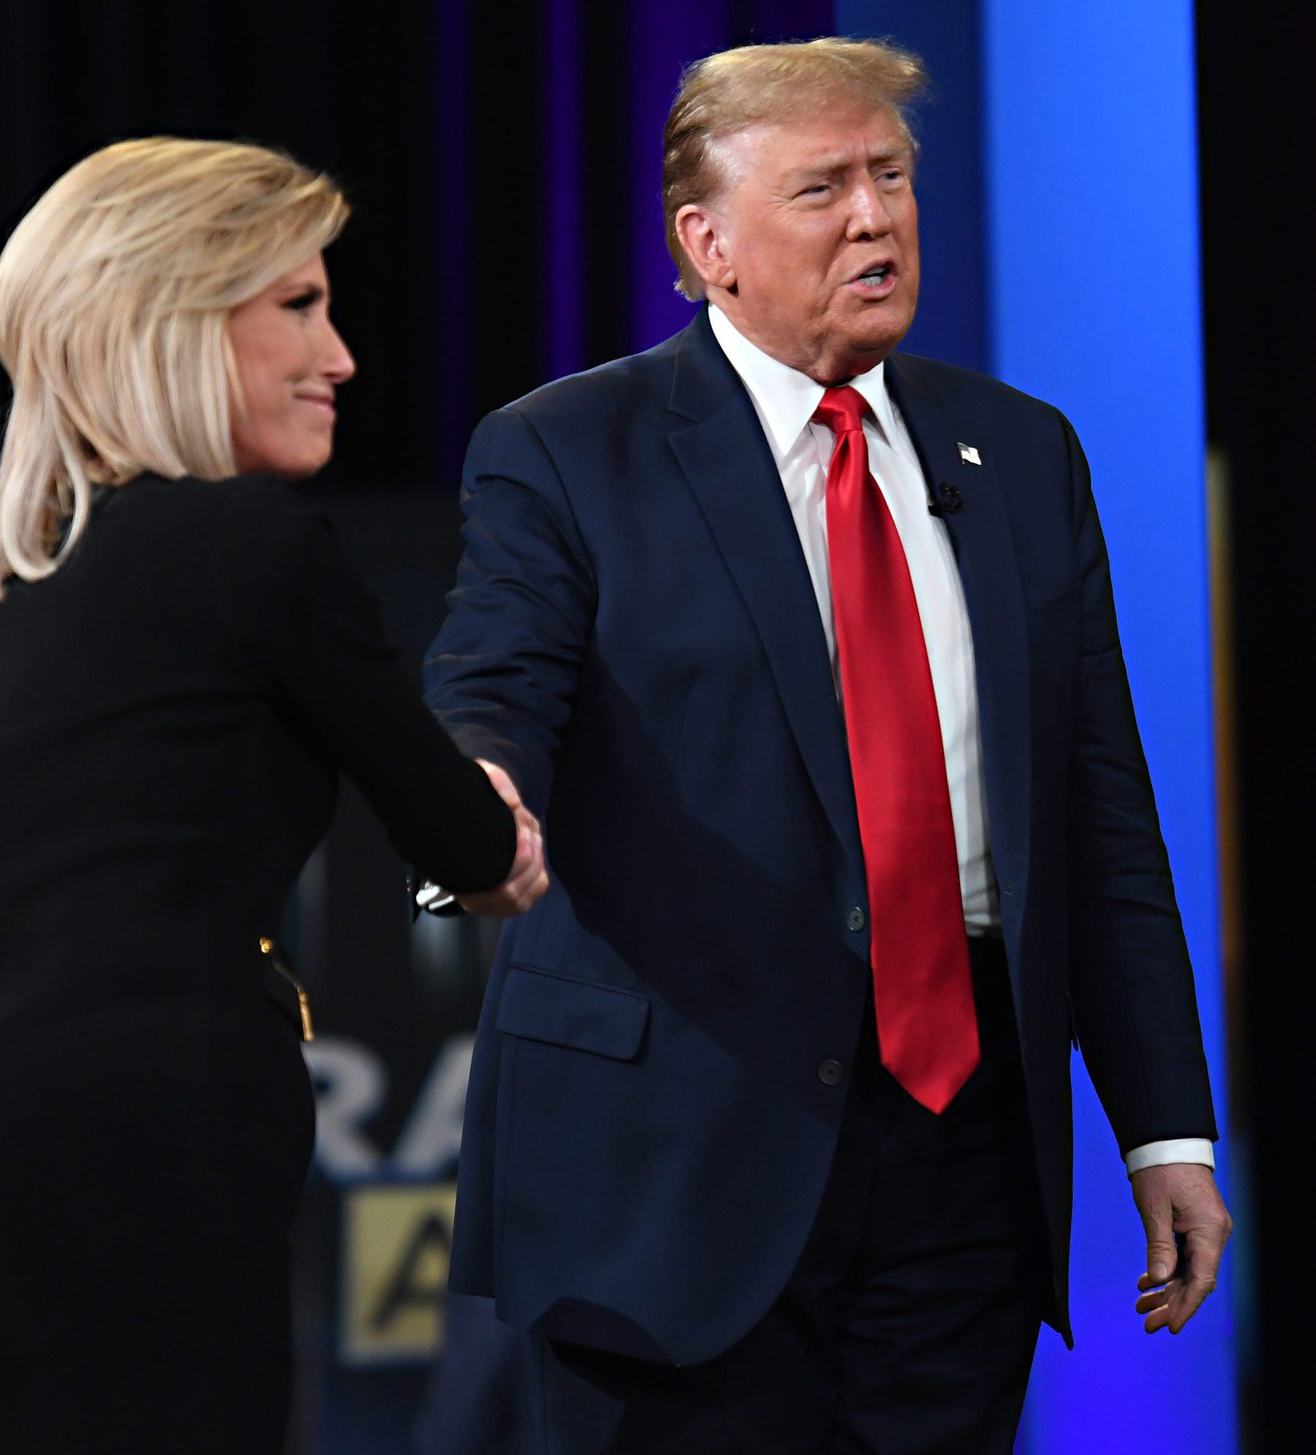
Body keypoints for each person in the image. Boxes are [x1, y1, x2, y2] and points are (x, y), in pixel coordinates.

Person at [423, 37, 1232, 1454]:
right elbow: (494, 681)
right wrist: (477, 805)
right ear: (708, 243)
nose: (876, 216)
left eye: (893, 177)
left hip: (964, 1149)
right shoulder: (568, 449)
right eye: (823, 189)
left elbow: (1103, 810)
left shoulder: (1020, 450)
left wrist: (1166, 1129)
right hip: (680, 1141)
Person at [0, 136, 545, 1455]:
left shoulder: (25, 608)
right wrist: (500, 832)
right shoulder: (253, 544)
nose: (341, 355)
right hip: (171, 1159)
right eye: (298, 306)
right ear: (174, 322)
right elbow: (466, 840)